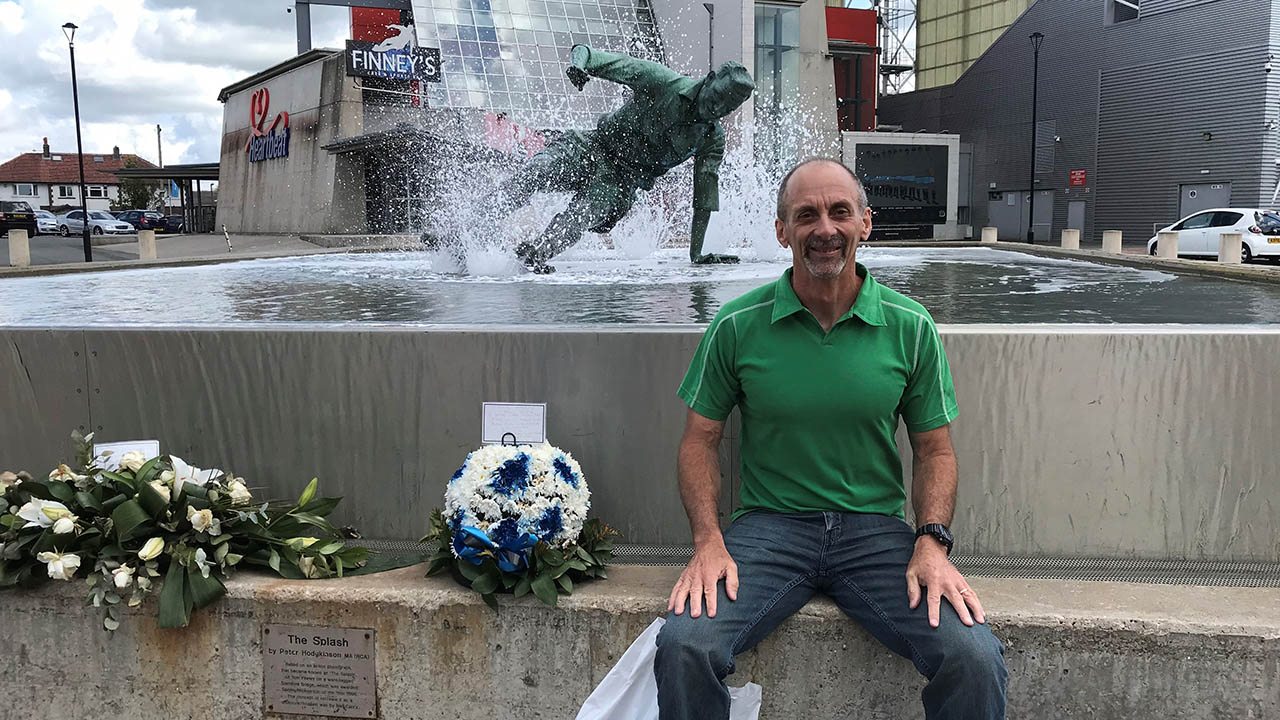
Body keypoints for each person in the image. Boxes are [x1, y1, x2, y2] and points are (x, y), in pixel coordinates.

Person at [655, 158, 1007, 719]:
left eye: (839, 212)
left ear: (865, 223)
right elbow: (700, 440)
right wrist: (707, 541)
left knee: (974, 657)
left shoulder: (910, 325)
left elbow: (934, 450)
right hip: (769, 530)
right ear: (781, 230)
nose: (824, 229)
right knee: (683, 647)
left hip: (876, 534)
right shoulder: (737, 325)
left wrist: (932, 542)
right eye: (806, 215)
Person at [497, 45, 754, 273]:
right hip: (591, 146)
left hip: (620, 183)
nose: (718, 109)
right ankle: (475, 223)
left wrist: (696, 254)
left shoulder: (711, 139)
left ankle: (536, 255)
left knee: (581, 215)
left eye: (728, 108)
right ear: (710, 80)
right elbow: (590, 55)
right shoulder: (663, 81)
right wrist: (578, 66)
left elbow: (704, 198)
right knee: (535, 173)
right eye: (718, 98)